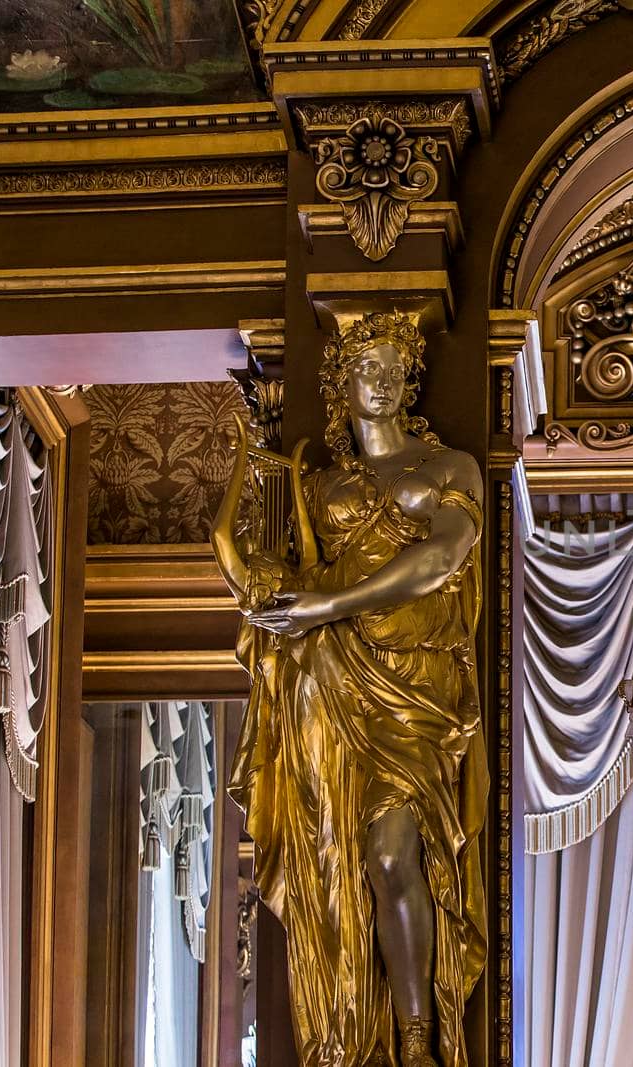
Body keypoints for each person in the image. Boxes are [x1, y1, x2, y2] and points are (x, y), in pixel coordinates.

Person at [220, 310, 487, 1067]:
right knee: (333, 853)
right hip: (327, 683)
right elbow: (266, 578)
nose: (384, 380)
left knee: (396, 852)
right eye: (368, 368)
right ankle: (349, 1032)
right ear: (341, 384)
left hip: (415, 683)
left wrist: (326, 604)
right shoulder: (322, 484)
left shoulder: (448, 468)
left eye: (395, 369)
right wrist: (276, 600)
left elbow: (442, 558)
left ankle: (417, 1035)